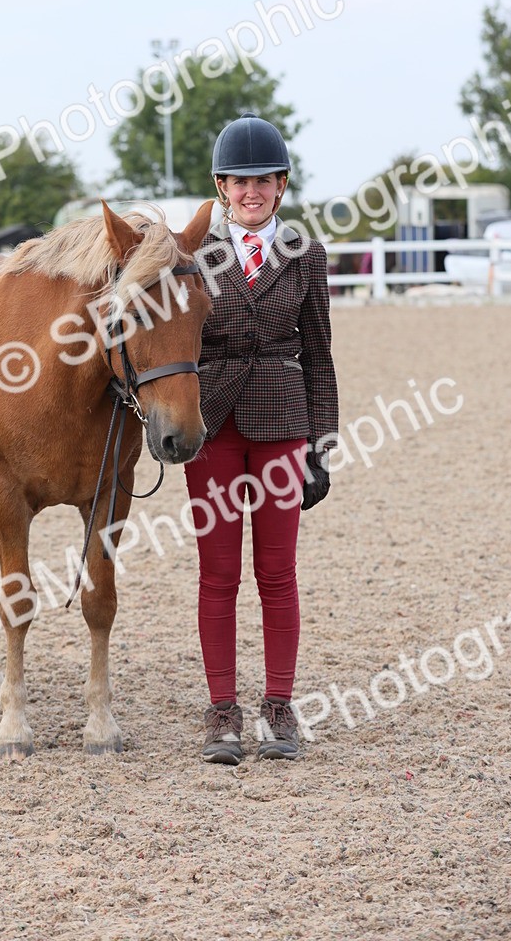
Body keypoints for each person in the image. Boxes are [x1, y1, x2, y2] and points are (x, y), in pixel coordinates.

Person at [184, 111, 338, 764]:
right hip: (212, 423)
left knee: (277, 572)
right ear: (222, 187)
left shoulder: (306, 253)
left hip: (281, 421)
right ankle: (222, 712)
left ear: (281, 186)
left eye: (264, 181)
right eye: (240, 182)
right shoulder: (191, 256)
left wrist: (322, 444)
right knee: (217, 574)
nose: (252, 192)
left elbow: (321, 355)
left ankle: (278, 707)